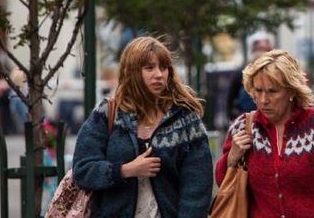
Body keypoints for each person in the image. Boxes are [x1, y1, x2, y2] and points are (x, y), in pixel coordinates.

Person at [215, 49, 314, 218]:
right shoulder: (243, 128)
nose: (263, 99)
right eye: (258, 90)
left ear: (291, 91)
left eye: (272, 91)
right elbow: (224, 184)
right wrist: (230, 159)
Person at [73, 36, 213, 217]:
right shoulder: (107, 113)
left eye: (163, 68)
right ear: (132, 72)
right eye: (149, 68)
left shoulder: (185, 119)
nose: (159, 74)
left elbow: (197, 188)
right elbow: (83, 170)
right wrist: (125, 170)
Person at [226, 34, 273, 121]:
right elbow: (230, 101)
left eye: (266, 50)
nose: (262, 53)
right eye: (259, 49)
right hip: (247, 123)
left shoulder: (278, 75)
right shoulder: (240, 74)